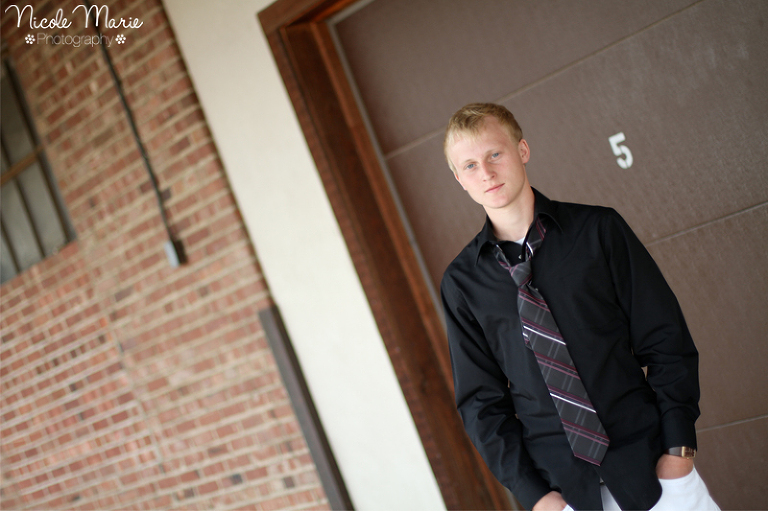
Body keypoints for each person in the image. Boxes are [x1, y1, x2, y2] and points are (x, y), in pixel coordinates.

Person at [440, 103, 719, 511]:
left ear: (522, 150)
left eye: (494, 154)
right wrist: (535, 497)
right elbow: (481, 404)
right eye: (469, 165)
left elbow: (666, 339)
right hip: (567, 494)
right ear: (459, 178)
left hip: (657, 475)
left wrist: (678, 450)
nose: (485, 172)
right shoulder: (462, 283)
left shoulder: (599, 231)